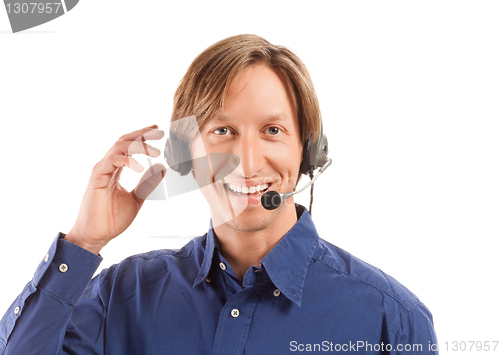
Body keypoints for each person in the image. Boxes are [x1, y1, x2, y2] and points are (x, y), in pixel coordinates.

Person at [0, 34, 438, 354]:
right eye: (223, 130)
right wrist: (83, 242)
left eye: (273, 130)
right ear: (183, 151)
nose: (246, 162)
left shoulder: (390, 318)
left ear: (308, 150)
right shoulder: (124, 295)